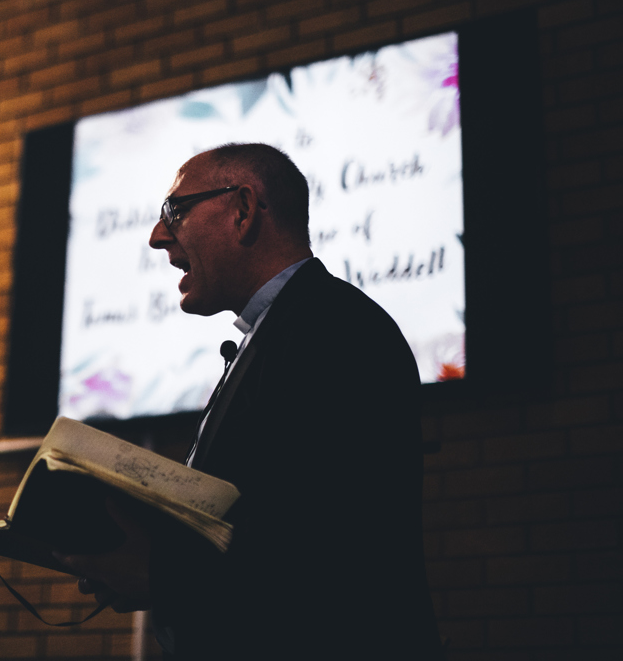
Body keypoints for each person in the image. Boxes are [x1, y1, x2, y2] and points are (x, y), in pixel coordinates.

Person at [57, 143, 443, 659]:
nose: (155, 236)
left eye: (174, 211)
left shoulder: (335, 329)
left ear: (241, 210)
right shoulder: (289, 329)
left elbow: (327, 550)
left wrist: (162, 573)